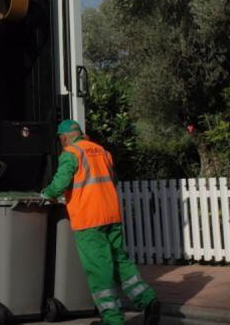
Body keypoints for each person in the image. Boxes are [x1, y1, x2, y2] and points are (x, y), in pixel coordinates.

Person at [41, 119, 160, 325]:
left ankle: (112, 319)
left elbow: (60, 184)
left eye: (61, 139)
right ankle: (148, 299)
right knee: (120, 260)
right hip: (111, 215)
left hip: (89, 220)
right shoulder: (102, 151)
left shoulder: (71, 153)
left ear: (65, 137)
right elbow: (111, 181)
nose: (62, 143)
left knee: (99, 268)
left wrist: (47, 194)